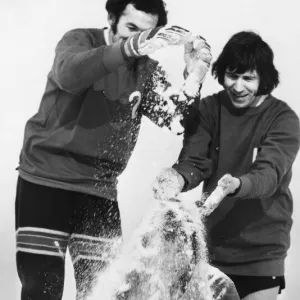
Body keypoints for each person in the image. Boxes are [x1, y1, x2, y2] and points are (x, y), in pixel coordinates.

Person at [15, 0, 212, 299]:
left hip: (99, 193)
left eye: (149, 34)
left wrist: (194, 77)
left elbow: (177, 121)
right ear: (111, 19)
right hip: (45, 184)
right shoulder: (79, 41)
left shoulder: (146, 71)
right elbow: (70, 74)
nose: (140, 40)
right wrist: (131, 47)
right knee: (42, 291)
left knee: (104, 292)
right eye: (131, 29)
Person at [153, 31, 300, 300]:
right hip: (211, 251)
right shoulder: (210, 108)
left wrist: (236, 185)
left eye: (248, 78)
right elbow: (194, 162)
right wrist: (177, 178)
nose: (239, 86)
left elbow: (269, 175)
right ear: (222, 74)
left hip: (262, 253)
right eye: (233, 76)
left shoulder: (283, 119)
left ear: (264, 79)